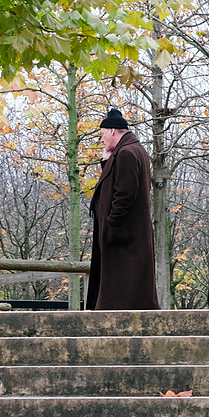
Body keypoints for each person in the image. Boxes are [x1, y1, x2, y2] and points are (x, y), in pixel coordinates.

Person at [85, 108, 160, 310]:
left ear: (112, 131)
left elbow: (124, 195)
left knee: (122, 288)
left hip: (123, 236)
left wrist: (112, 223)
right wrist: (106, 160)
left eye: (102, 135)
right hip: (126, 234)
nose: (101, 140)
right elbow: (115, 181)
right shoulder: (130, 150)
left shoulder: (127, 153)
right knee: (126, 287)